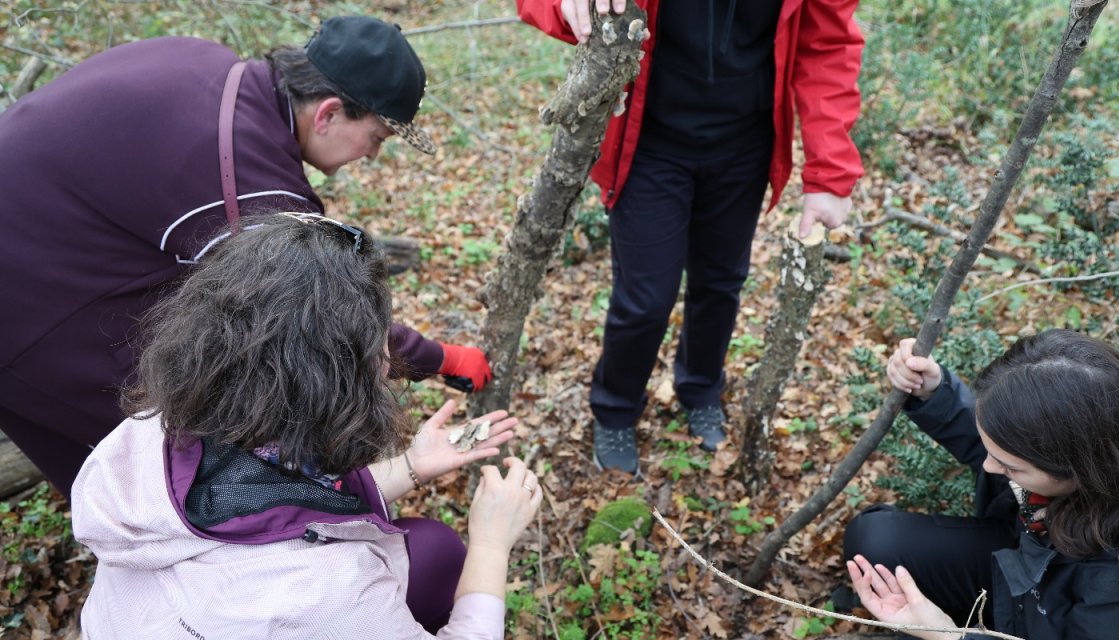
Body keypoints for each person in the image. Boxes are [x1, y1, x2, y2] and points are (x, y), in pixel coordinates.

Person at [0, 15, 492, 496]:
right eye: (377, 138)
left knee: (112, 476)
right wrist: (443, 357)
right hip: (34, 313)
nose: (372, 155)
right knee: (170, 480)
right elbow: (326, 317)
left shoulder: (206, 63)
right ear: (328, 113)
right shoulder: (246, 177)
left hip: (45, 252)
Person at [72, 212, 540, 638]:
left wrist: (411, 467)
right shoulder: (326, 593)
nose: (387, 358)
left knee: (433, 547)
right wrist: (491, 543)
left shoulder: (154, 431)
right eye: (380, 342)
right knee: (448, 554)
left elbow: (270, 509)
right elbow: (314, 582)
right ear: (336, 377)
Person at [518, 0, 865, 474]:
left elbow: (827, 43)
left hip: (746, 141)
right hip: (650, 142)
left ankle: (701, 388)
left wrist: (829, 171)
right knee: (645, 299)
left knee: (721, 282)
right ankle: (615, 409)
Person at [841, 330, 1119, 639]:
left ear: (1077, 470)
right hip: (1037, 579)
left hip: (1062, 609)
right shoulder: (1104, 418)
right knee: (876, 544)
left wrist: (949, 635)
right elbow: (1016, 445)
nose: (988, 466)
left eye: (1009, 465)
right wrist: (937, 394)